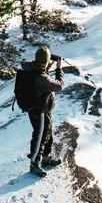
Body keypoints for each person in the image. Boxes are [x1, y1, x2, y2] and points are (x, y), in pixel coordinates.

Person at [20, 46, 64, 177]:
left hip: (39, 108)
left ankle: (46, 158)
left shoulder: (31, 68)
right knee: (39, 136)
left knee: (47, 133)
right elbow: (59, 86)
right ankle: (34, 164)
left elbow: (40, 79)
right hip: (39, 110)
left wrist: (46, 69)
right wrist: (59, 69)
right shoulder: (41, 77)